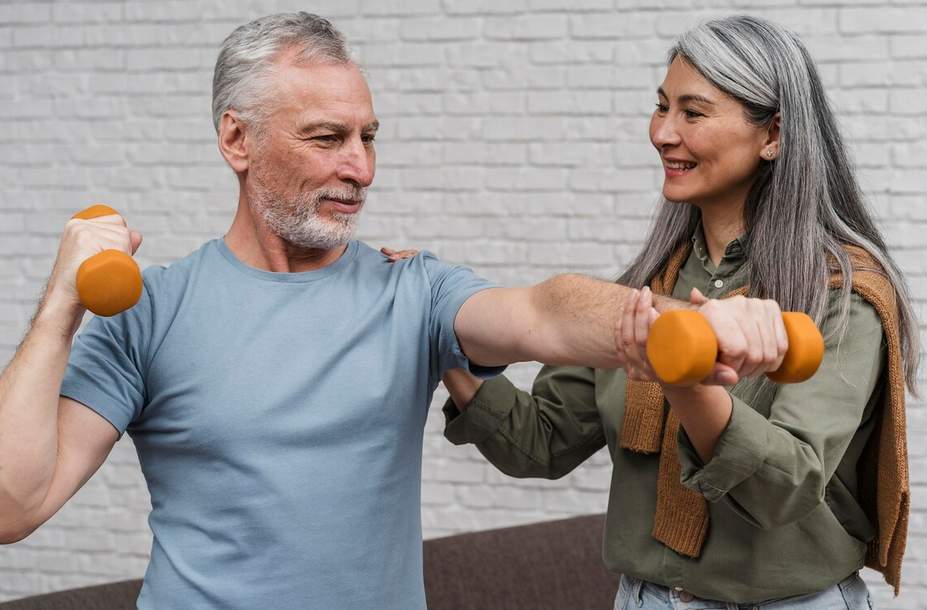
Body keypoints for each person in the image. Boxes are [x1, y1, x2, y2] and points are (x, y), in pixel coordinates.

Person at [0, 12, 788, 610]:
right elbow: (15, 506)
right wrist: (59, 308)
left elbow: (545, 314)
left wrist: (671, 325)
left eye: (368, 137)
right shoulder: (151, 310)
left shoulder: (408, 290)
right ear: (236, 140)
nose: (360, 168)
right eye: (327, 138)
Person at [432, 14, 919, 610]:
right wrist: (437, 332)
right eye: (661, 107)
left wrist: (687, 384)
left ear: (773, 135)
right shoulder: (648, 288)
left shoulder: (841, 295)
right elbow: (541, 441)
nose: (663, 132)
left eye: (693, 112)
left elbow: (784, 489)